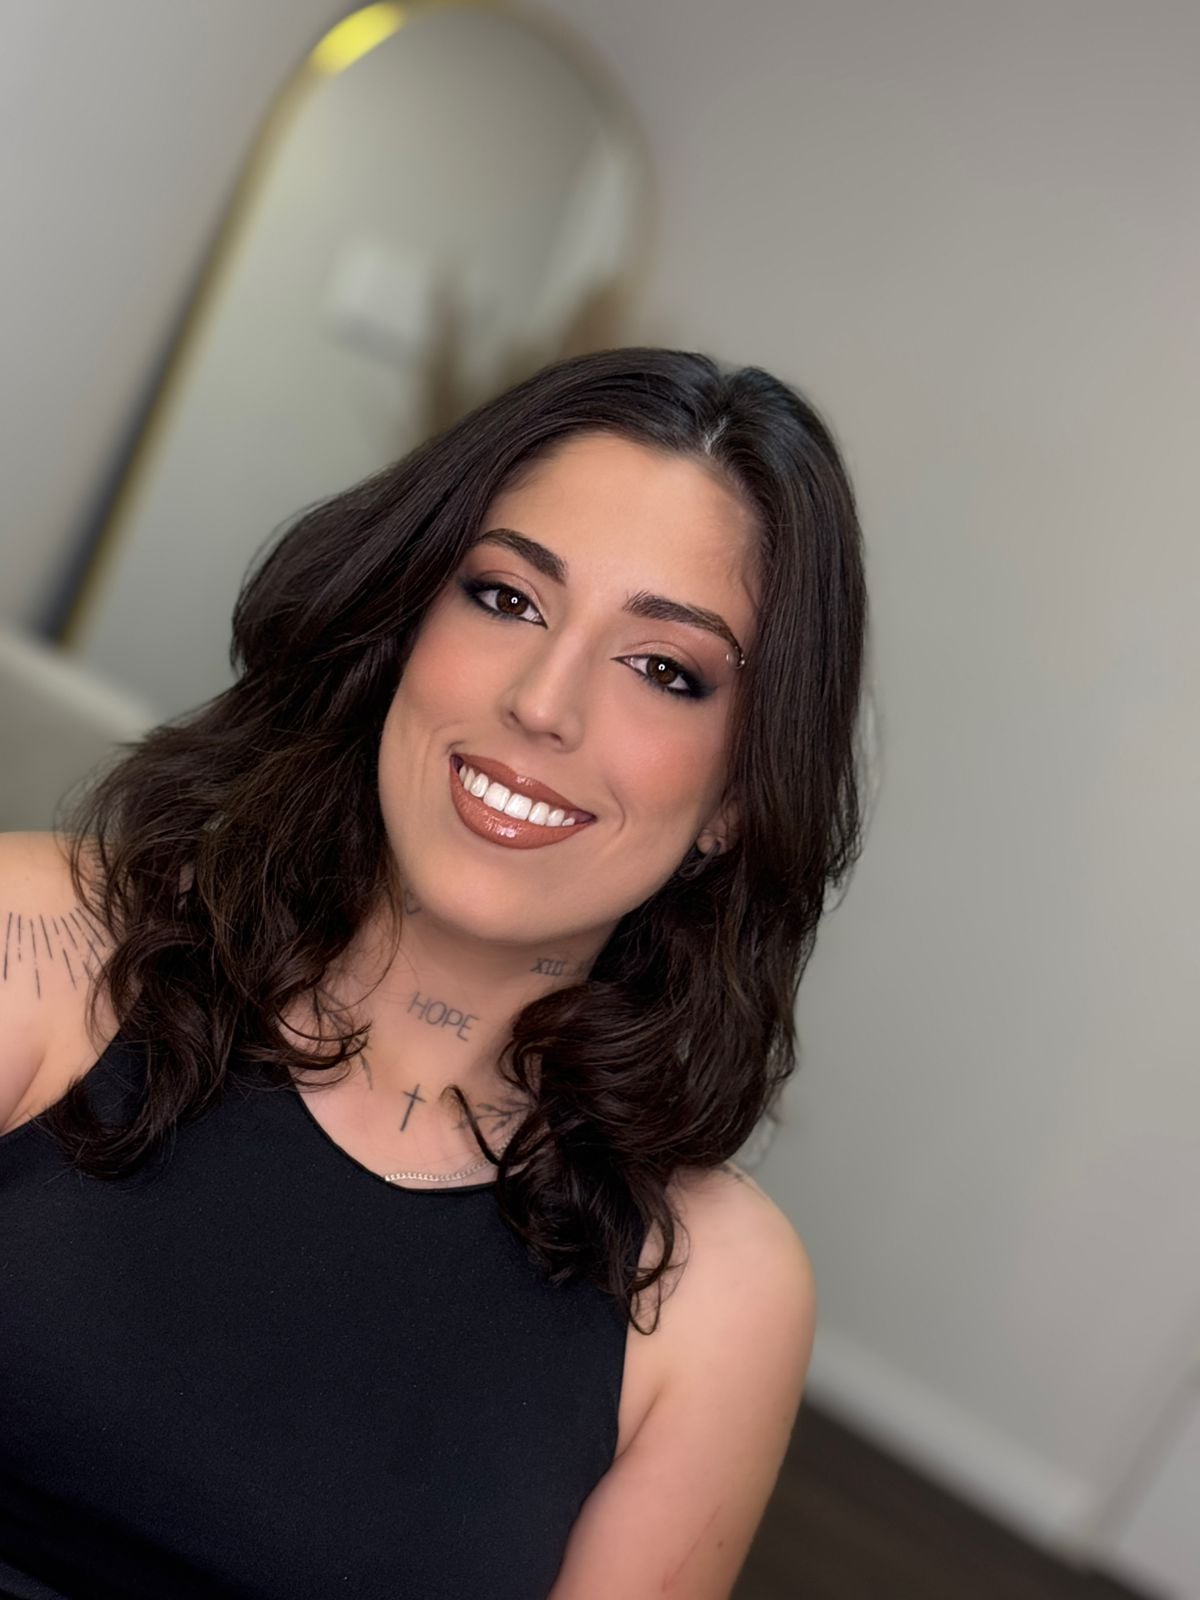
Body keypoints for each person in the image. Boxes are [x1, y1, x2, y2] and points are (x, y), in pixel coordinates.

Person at [0, 346, 869, 1599]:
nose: (544, 702)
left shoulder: (718, 1296)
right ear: (404, 622)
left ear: (737, 798)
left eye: (664, 669)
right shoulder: (40, 948)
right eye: (507, 597)